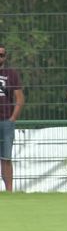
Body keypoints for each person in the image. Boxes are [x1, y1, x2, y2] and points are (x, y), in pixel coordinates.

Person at [0, 44, 24, 192]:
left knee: (6, 158)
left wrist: (13, 118)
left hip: (5, 120)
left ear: (5, 57)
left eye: (1, 55)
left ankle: (9, 191)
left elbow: (20, 98)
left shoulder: (12, 74)